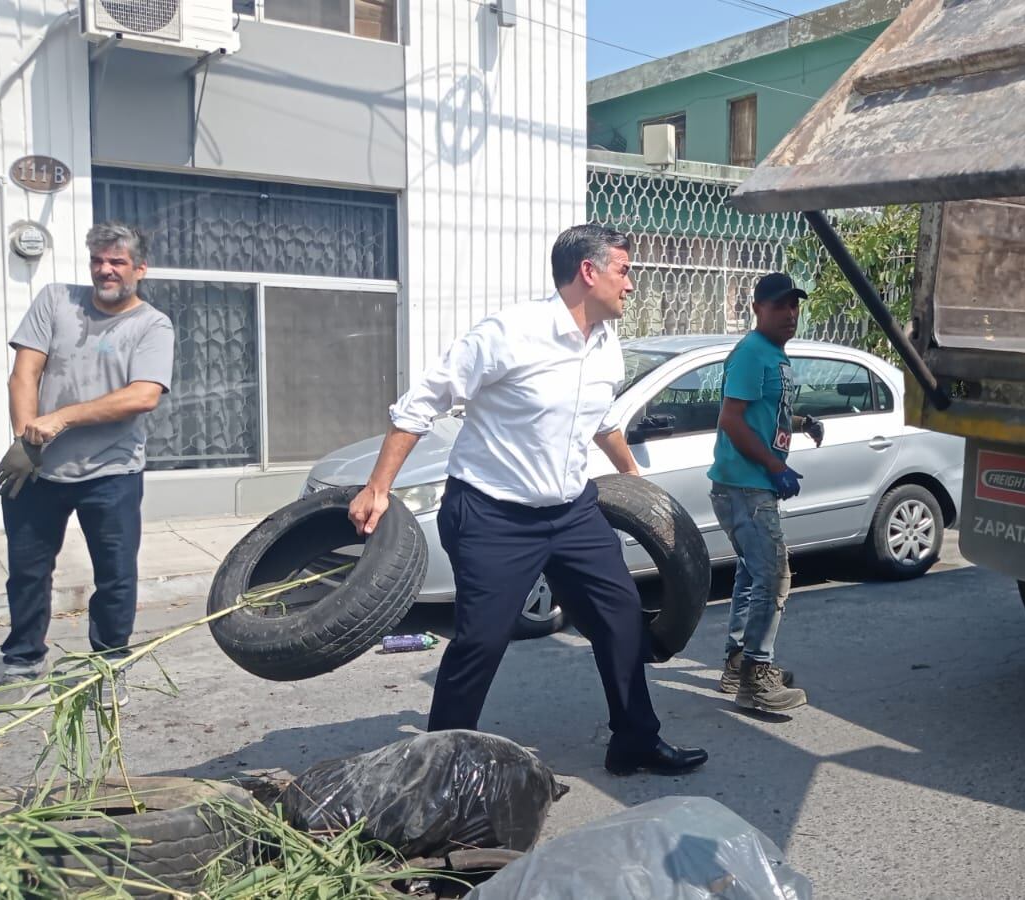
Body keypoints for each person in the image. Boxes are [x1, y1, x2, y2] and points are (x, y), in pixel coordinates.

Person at [348, 223, 707, 776]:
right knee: (482, 640)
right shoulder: (509, 333)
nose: (631, 284)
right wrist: (379, 487)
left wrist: (633, 479)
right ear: (589, 273)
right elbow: (420, 404)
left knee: (621, 621)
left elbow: (603, 419)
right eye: (624, 270)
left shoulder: (606, 345)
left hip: (572, 513)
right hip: (494, 514)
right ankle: (437, 768)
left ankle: (635, 739)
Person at [0, 223, 175, 710]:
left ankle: (109, 668)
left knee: (114, 576)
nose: (104, 270)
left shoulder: (152, 325)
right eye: (98, 260)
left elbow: (143, 396)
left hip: (112, 473)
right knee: (27, 571)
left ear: (139, 268)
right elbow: (24, 372)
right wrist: (26, 437)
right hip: (40, 470)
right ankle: (23, 661)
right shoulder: (56, 301)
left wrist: (59, 419)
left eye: (116, 261)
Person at [709, 272, 822, 713]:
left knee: (752, 575)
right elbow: (732, 420)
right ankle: (756, 674)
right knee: (775, 576)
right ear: (757, 309)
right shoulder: (752, 354)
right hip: (744, 487)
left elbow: (761, 415)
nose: (789, 314)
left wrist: (800, 424)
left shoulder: (773, 355)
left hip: (750, 485)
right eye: (779, 306)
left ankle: (739, 662)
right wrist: (775, 466)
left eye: (794, 305)